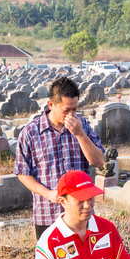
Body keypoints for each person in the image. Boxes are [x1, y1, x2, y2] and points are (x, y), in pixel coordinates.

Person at [15, 76, 104, 240]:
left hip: (80, 214)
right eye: (66, 110)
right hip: (47, 214)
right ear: (51, 105)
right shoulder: (30, 133)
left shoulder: (82, 126)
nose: (71, 114)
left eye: (75, 109)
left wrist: (80, 135)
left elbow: (98, 161)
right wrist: (48, 193)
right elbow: (23, 173)